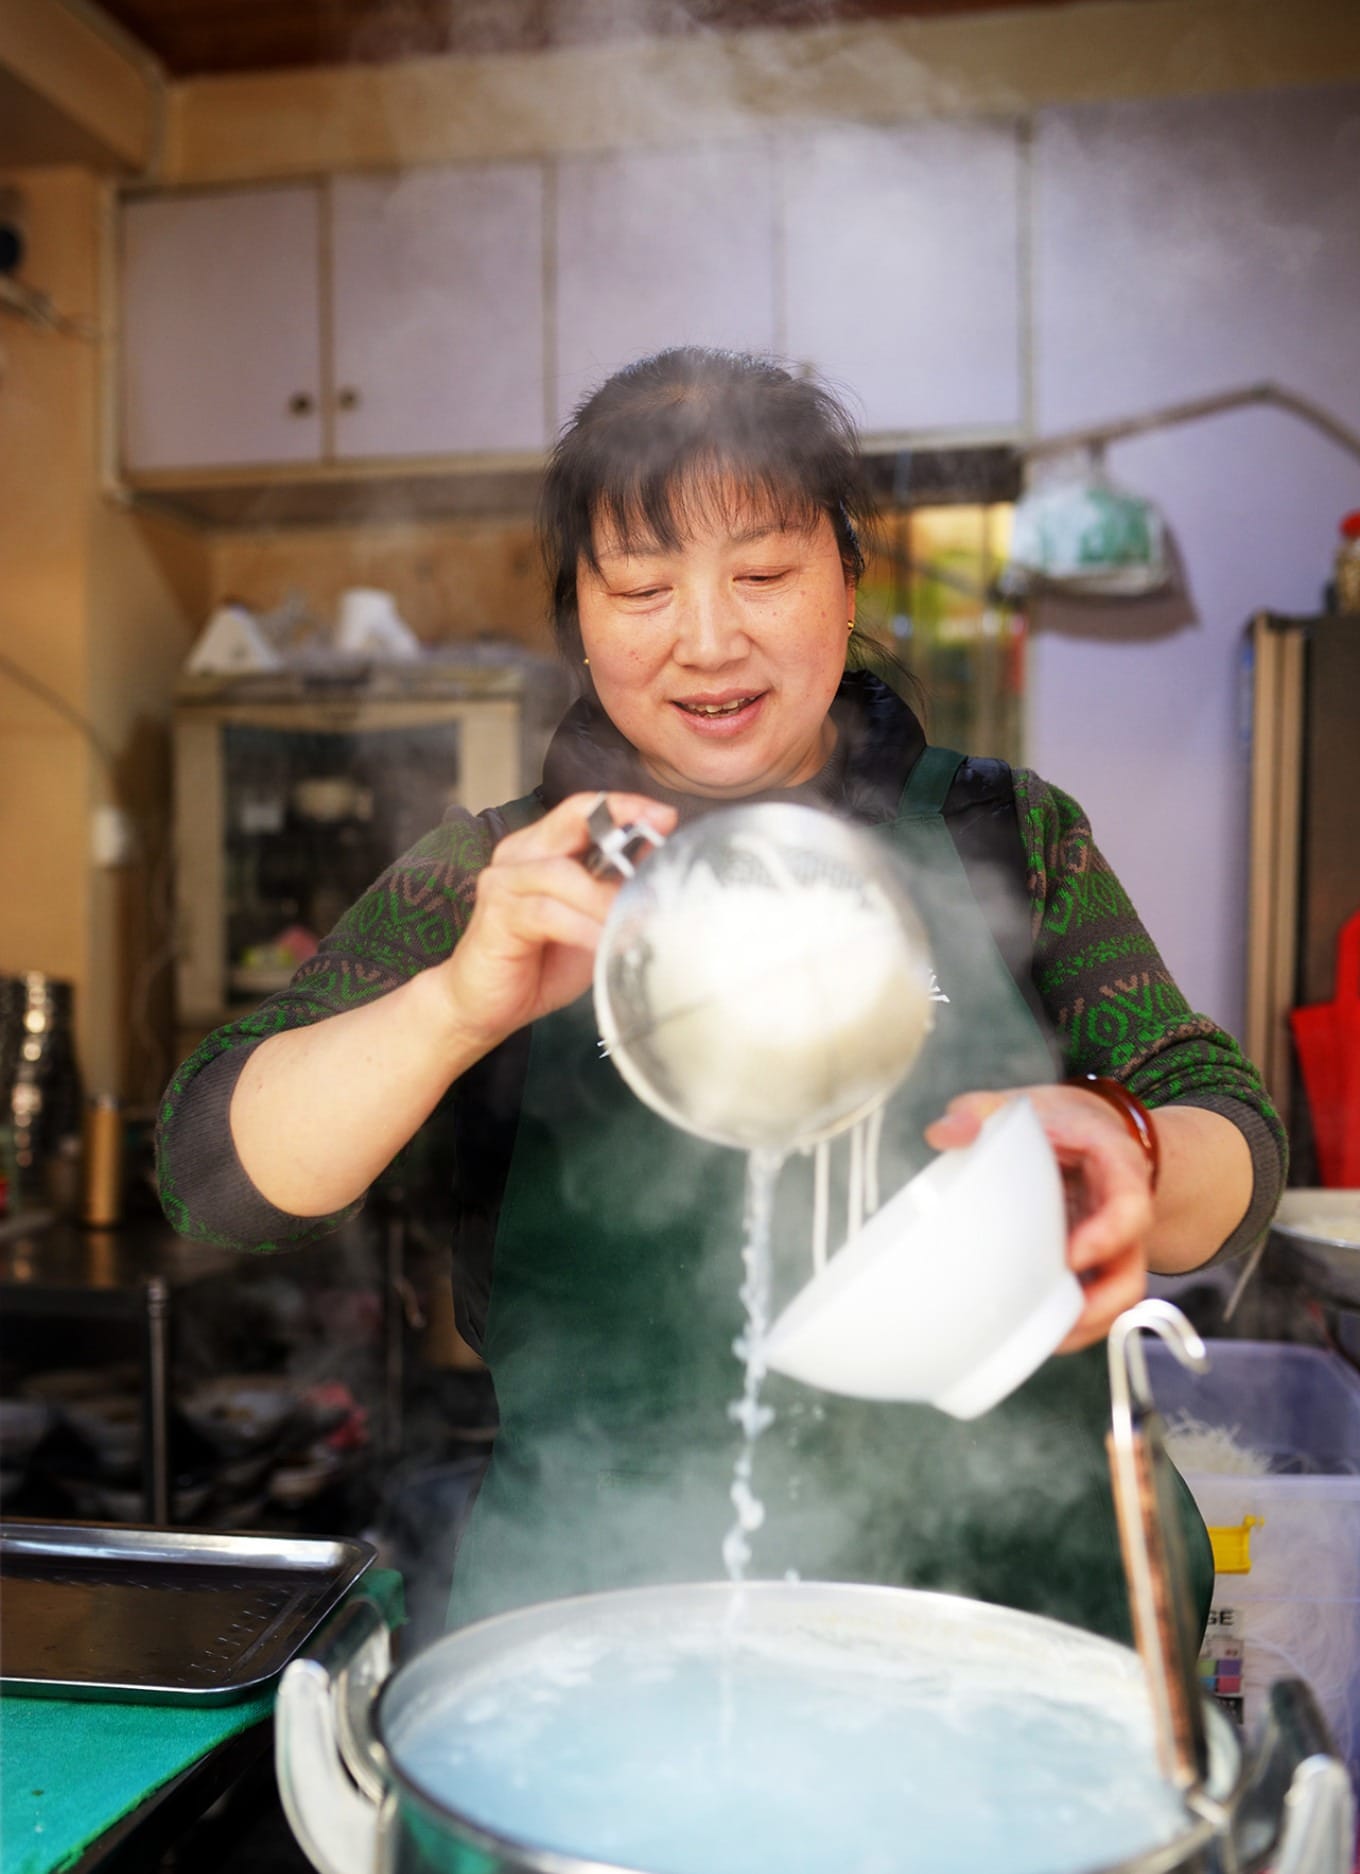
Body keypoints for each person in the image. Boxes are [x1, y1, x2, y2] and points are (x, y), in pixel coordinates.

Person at [158, 348, 1283, 1640]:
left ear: (850, 578)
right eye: (641, 585)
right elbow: (211, 1173)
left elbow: (1233, 1129)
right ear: (577, 608)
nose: (708, 639)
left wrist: (1136, 1151)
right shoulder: (497, 878)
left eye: (761, 574)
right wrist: (454, 1004)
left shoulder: (1007, 835)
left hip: (1019, 1630)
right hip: (614, 1639)